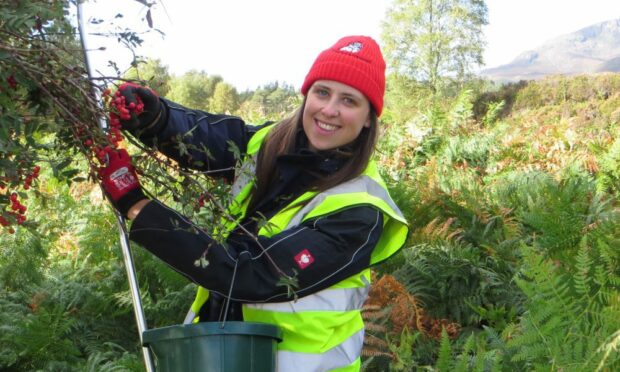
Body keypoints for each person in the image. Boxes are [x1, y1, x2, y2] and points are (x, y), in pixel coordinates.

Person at [100, 35, 409, 372]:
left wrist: (137, 205)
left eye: (349, 100)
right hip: (223, 353)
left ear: (368, 118)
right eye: (322, 92)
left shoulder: (359, 212)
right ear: (307, 95)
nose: (329, 110)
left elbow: (251, 275)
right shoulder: (268, 144)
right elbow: (208, 137)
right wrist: (153, 116)